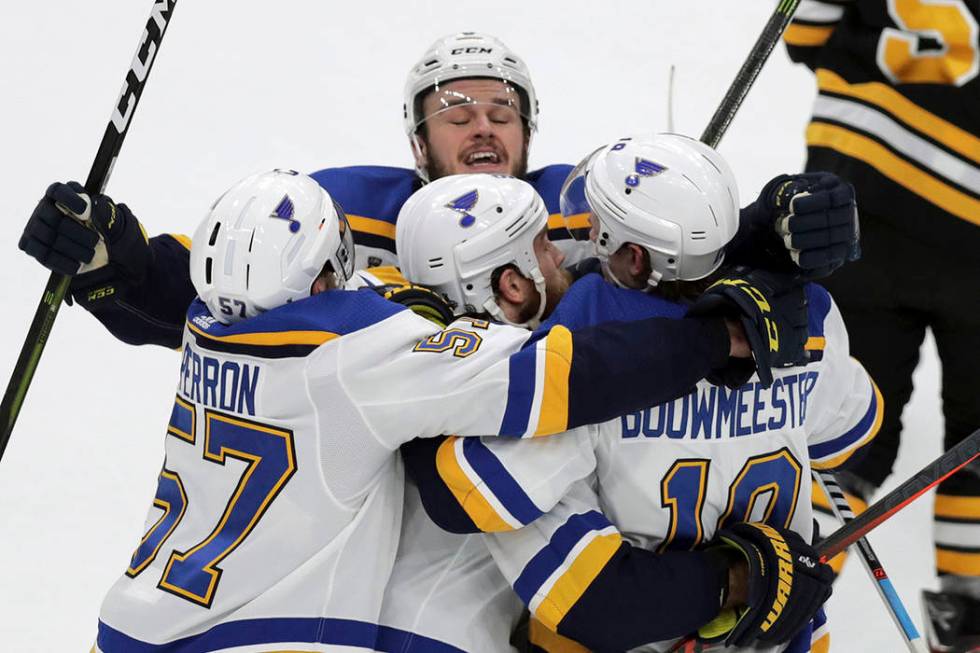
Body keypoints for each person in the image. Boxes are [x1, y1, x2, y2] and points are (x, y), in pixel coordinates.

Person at [82, 168, 803, 652]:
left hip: (129, 623)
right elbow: (565, 375)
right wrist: (718, 335)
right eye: (547, 250)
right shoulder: (371, 356)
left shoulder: (210, 331)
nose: (565, 262)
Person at [17, 31, 861, 350]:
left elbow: (697, 257)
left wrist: (771, 229)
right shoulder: (341, 207)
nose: (482, 125)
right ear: (418, 141)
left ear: (530, 134)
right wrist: (113, 258)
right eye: (455, 111)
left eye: (502, 110)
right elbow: (214, 291)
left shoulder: (586, 203)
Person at [400, 135, 879, 652]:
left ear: (632, 258)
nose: (573, 247)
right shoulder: (805, 312)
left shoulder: (571, 366)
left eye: (597, 229)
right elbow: (851, 433)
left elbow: (472, 490)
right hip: (780, 634)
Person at [783, 3, 980, 649]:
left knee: (841, 440)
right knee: (977, 450)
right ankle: (970, 622)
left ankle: (775, 606)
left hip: (856, 217)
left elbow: (802, 32)